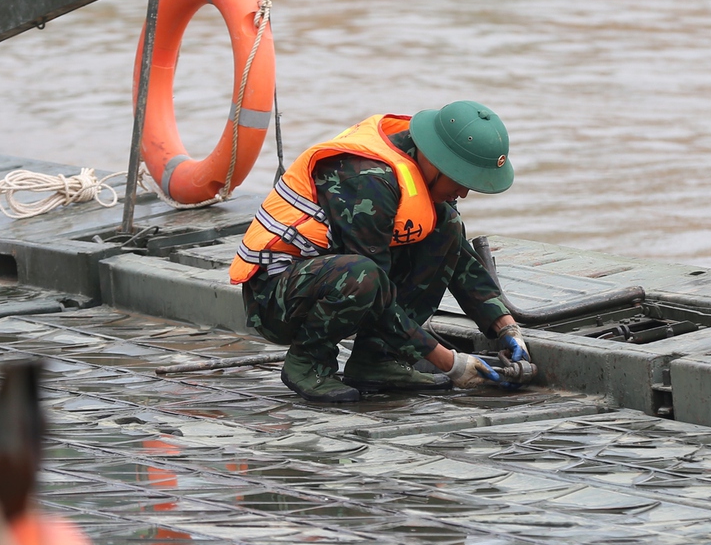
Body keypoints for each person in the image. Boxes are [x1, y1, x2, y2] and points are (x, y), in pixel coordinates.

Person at [228, 101, 534, 403]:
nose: (464, 192)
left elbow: (460, 260)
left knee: (446, 227)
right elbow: (374, 290)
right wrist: (449, 362)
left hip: (328, 278)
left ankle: (377, 360)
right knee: (363, 275)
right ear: (437, 161)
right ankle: (308, 364)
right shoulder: (369, 181)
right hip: (274, 299)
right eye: (461, 179)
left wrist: (505, 327)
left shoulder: (423, 174)